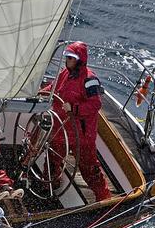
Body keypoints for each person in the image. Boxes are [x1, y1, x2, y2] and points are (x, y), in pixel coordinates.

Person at [43, 41, 112, 201]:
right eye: (67, 57)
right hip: (60, 130)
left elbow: (95, 104)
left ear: (80, 60)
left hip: (82, 136)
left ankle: (104, 198)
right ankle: (49, 186)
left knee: (90, 169)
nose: (68, 60)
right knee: (52, 160)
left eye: (72, 57)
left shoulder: (90, 79)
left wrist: (74, 108)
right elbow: (54, 87)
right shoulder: (64, 74)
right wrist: (41, 93)